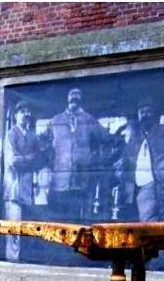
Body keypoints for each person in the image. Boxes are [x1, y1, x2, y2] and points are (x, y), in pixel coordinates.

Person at [45, 88, 113, 221]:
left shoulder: (89, 120)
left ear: (81, 100)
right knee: (57, 223)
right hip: (59, 182)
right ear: (67, 99)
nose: (74, 98)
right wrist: (48, 167)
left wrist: (96, 161)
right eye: (72, 95)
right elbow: (44, 146)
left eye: (78, 95)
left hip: (80, 183)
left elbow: (108, 139)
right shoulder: (55, 121)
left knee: (76, 222)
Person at [2, 101, 50, 260]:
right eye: (22, 111)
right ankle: (12, 262)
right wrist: (31, 158)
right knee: (13, 229)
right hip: (14, 189)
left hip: (29, 190)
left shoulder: (33, 137)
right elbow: (13, 161)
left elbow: (39, 162)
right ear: (16, 115)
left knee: (27, 230)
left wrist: (31, 160)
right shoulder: (11, 134)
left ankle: (22, 261)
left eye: (27, 112)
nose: (25, 114)